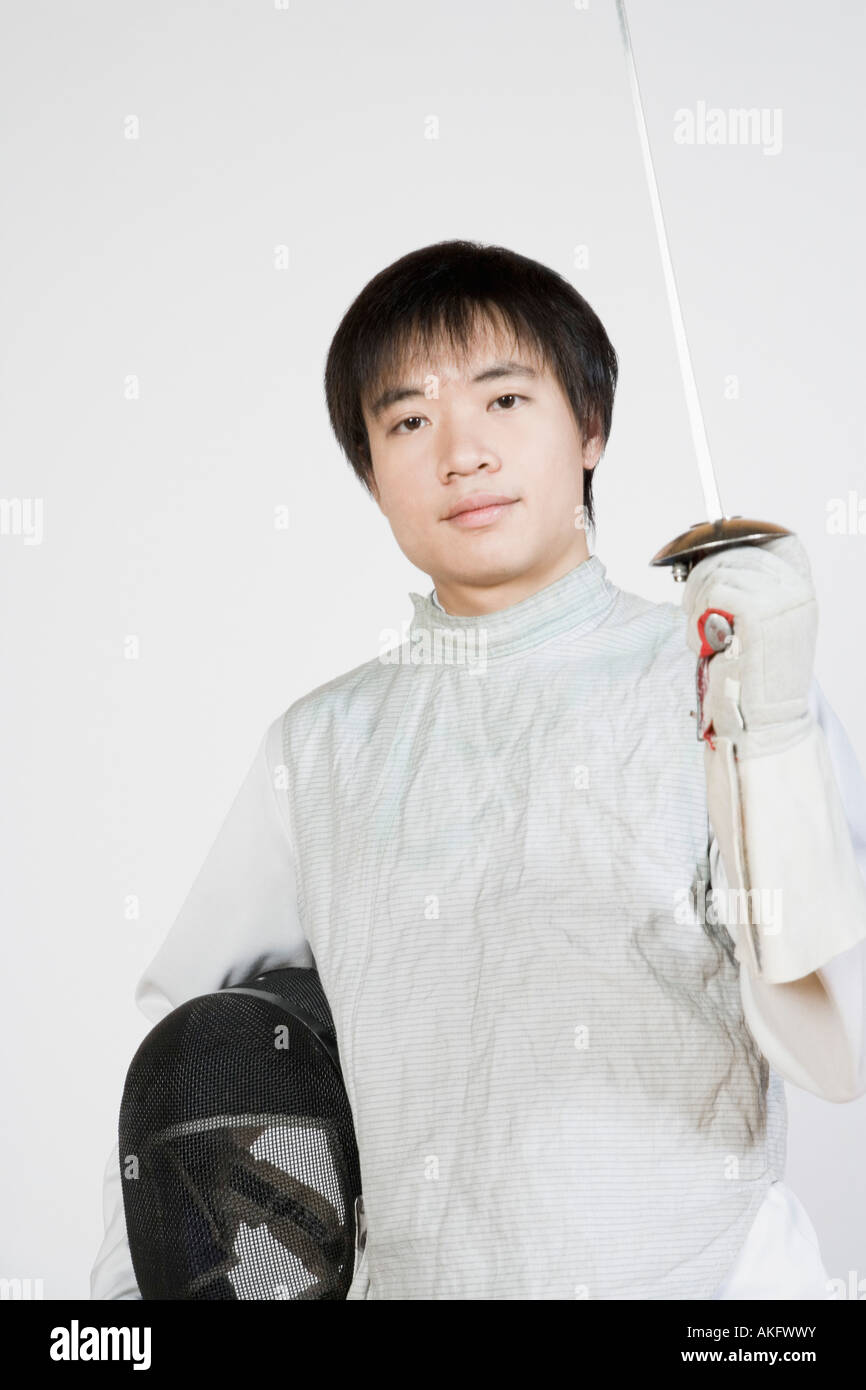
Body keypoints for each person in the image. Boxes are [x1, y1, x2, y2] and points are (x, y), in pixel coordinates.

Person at [91, 240, 866, 1301]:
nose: (460, 452)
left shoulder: (719, 677)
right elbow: (192, 1066)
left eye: (505, 400)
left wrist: (765, 729)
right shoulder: (320, 745)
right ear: (369, 470)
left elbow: (833, 1043)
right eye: (407, 420)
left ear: (588, 427)